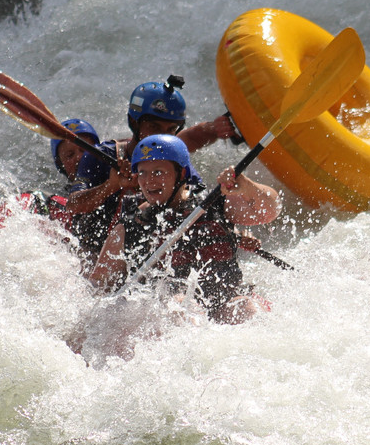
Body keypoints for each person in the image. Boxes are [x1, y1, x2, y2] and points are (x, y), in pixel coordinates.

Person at [89, 134, 280, 325]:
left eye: (158, 172)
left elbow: (270, 210)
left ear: (181, 174)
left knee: (247, 308)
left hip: (225, 301)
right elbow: (99, 285)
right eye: (143, 173)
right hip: (171, 312)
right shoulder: (132, 226)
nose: (148, 181)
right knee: (181, 306)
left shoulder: (214, 204)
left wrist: (246, 187)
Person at [64, 75, 240, 264]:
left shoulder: (176, 163)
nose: (161, 135)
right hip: (93, 253)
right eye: (154, 126)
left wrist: (237, 231)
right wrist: (112, 185)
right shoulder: (99, 157)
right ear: (134, 122)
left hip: (137, 254)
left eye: (170, 129)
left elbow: (204, 202)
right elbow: (73, 205)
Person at [0, 117, 99, 233]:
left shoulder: (114, 175)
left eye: (84, 150)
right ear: (61, 164)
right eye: (70, 155)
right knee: (27, 199)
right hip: (78, 230)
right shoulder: (53, 200)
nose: (79, 157)